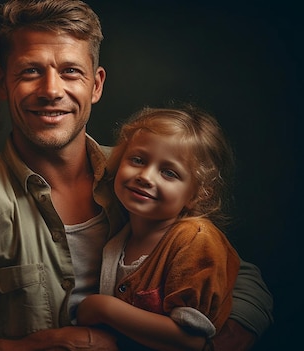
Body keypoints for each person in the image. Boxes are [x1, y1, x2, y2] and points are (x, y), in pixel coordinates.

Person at [0, 1, 273, 350]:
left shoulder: (143, 180)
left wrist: (218, 342)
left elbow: (240, 277)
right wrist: (56, 344)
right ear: (2, 83)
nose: (51, 90)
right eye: (30, 71)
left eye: (70, 72)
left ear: (96, 84)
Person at [76, 106, 240, 350]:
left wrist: (104, 308)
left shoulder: (196, 240)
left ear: (198, 194)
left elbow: (191, 341)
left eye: (169, 173)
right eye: (138, 160)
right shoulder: (121, 237)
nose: (146, 176)